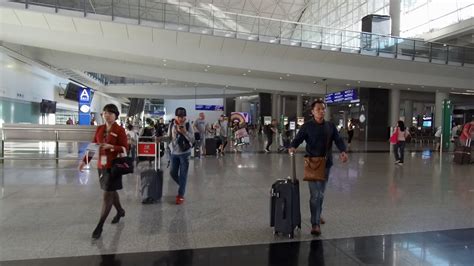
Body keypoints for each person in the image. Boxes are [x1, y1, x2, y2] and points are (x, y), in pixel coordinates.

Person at [289, 99, 348, 236]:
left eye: (323, 109)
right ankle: (315, 224)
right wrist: (292, 146)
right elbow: (298, 138)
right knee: (315, 194)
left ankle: (317, 214)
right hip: (312, 163)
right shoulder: (307, 126)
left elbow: (338, 140)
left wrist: (343, 151)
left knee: (320, 194)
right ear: (312, 112)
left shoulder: (330, 126)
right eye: (318, 109)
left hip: (326, 163)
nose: (321, 111)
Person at [78, 104, 128, 239]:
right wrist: (84, 161)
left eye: (111, 113)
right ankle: (120, 211)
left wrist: (112, 146)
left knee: (107, 194)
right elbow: (93, 146)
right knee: (111, 191)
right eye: (105, 112)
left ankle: (100, 225)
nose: (107, 115)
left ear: (116, 116)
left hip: (115, 166)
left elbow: (125, 148)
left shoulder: (120, 130)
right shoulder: (99, 129)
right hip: (102, 165)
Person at [168, 107, 194, 205]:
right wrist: (160, 139)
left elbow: (193, 139)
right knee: (172, 173)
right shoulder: (172, 125)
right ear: (176, 116)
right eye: (179, 116)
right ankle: (182, 186)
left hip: (185, 153)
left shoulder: (188, 124)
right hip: (174, 153)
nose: (181, 118)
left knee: (183, 175)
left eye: (183, 116)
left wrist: (184, 132)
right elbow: (169, 137)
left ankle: (180, 195)